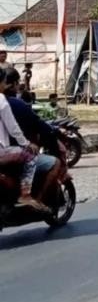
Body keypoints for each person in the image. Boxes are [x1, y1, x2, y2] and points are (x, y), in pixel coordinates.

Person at [2, 68, 64, 204]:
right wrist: (27, 143)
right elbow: (14, 129)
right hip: (7, 152)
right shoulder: (10, 103)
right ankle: (33, 199)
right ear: (9, 84)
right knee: (49, 162)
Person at [0, 68, 42, 210]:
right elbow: (13, 128)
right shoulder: (2, 100)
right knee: (31, 157)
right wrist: (27, 144)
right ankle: (25, 194)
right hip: (2, 151)